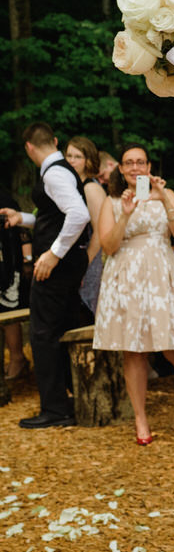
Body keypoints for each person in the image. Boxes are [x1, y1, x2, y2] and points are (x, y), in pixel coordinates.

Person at [95, 143, 174, 445]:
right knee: (134, 350)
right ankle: (141, 419)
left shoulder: (165, 194)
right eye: (128, 163)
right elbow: (109, 247)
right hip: (125, 277)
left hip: (161, 275)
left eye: (140, 162)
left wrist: (164, 198)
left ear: (149, 166)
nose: (134, 168)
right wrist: (126, 215)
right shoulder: (112, 201)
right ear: (121, 168)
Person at [0, 122, 91, 428]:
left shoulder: (53, 173)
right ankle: (70, 399)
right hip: (69, 264)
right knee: (60, 329)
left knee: (42, 336)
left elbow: (79, 214)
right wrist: (22, 218)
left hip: (57, 267)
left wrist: (53, 254)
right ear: (53, 140)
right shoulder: (61, 170)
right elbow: (53, 217)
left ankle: (56, 409)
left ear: (29, 148)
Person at [65, 136, 107, 313]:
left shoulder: (91, 188)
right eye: (68, 156)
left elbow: (99, 234)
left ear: (88, 161)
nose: (71, 161)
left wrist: (84, 268)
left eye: (77, 156)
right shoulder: (73, 185)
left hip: (92, 261)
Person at [0, 187, 28, 380]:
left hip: (8, 266)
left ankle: (17, 358)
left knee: (9, 311)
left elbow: (23, 232)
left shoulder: (4, 199)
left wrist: (28, 259)